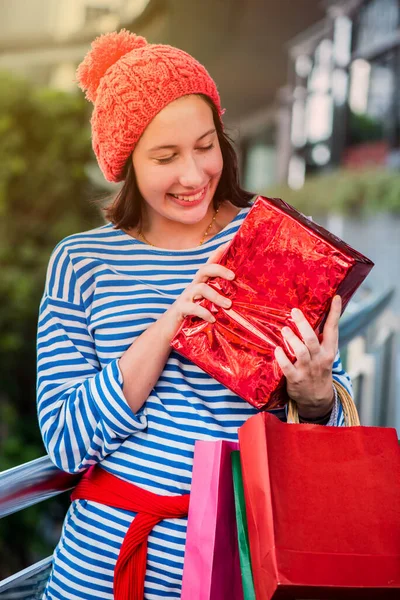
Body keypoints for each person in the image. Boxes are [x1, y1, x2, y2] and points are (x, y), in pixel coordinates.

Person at [36, 29, 353, 600]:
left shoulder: (271, 239)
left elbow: (334, 421)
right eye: (165, 156)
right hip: (101, 567)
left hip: (243, 561)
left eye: (205, 146)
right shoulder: (83, 262)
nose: (193, 174)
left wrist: (315, 393)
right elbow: (65, 441)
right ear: (125, 162)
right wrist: (166, 327)